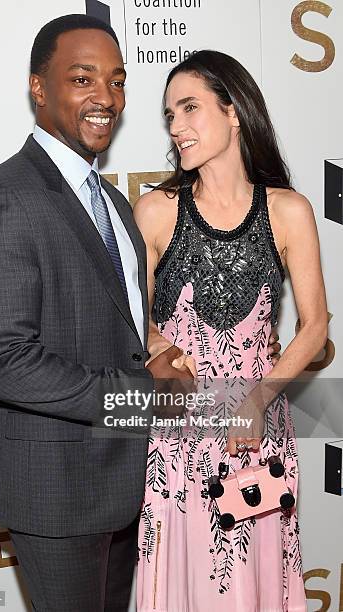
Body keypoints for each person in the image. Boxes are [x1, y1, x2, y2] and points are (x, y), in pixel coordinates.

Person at [0, 14, 193, 612]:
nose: (106, 98)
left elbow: (121, 329)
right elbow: (6, 363)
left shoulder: (111, 200)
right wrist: (144, 395)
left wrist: (159, 354)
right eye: (83, 78)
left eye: (117, 81)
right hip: (56, 487)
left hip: (122, 479)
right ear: (39, 88)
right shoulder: (5, 197)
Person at [135, 50, 327, 611]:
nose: (176, 126)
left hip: (255, 433)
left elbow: (314, 327)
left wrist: (260, 398)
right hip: (181, 438)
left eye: (190, 108)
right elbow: (131, 318)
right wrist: (161, 348)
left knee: (252, 588)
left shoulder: (289, 211)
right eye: (169, 114)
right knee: (186, 583)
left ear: (234, 110)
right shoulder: (156, 211)